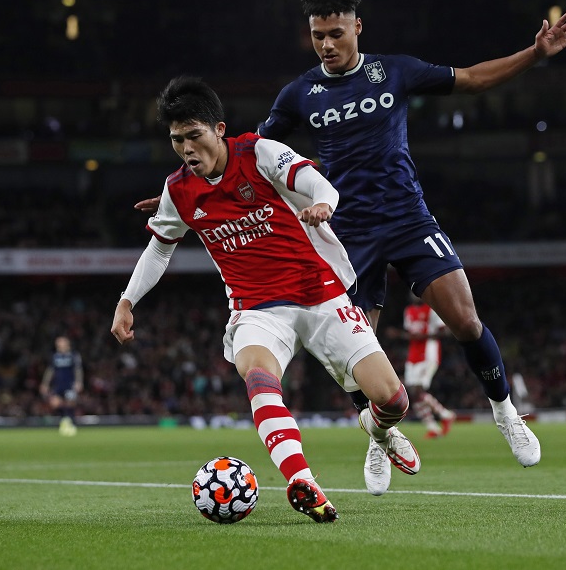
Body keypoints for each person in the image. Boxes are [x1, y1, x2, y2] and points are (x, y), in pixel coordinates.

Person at [138, 0, 566, 493]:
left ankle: (505, 413)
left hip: (408, 218)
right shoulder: (299, 93)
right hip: (345, 231)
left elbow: (472, 79)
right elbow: (245, 153)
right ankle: (380, 435)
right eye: (317, 36)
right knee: (354, 352)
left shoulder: (394, 71)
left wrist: (535, 53)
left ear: (357, 27)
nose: (326, 44)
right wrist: (186, 188)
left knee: (465, 319)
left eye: (335, 33)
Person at [113, 76, 421, 522]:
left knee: (393, 401)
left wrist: (324, 205)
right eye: (177, 140)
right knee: (258, 375)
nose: (186, 149)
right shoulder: (178, 190)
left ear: (219, 129)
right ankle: (303, 480)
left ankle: (378, 430)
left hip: (320, 295)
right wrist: (127, 301)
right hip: (256, 309)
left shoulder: (259, 153)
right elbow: (159, 249)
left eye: (194, 136)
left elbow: (321, 186)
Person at [394, 295, 457, 439]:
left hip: (429, 354)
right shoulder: (408, 311)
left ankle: (444, 415)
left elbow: (445, 331)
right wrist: (399, 335)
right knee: (412, 392)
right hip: (413, 355)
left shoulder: (431, 310)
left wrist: (423, 336)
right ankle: (435, 425)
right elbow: (411, 334)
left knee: (418, 390)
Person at [39, 335, 83, 436]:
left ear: (67, 344)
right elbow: (50, 371)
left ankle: (70, 423)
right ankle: (64, 420)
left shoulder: (73, 356)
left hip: (70, 385)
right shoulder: (55, 357)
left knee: (70, 403)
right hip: (58, 385)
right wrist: (45, 384)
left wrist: (79, 382)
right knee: (55, 403)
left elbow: (78, 369)